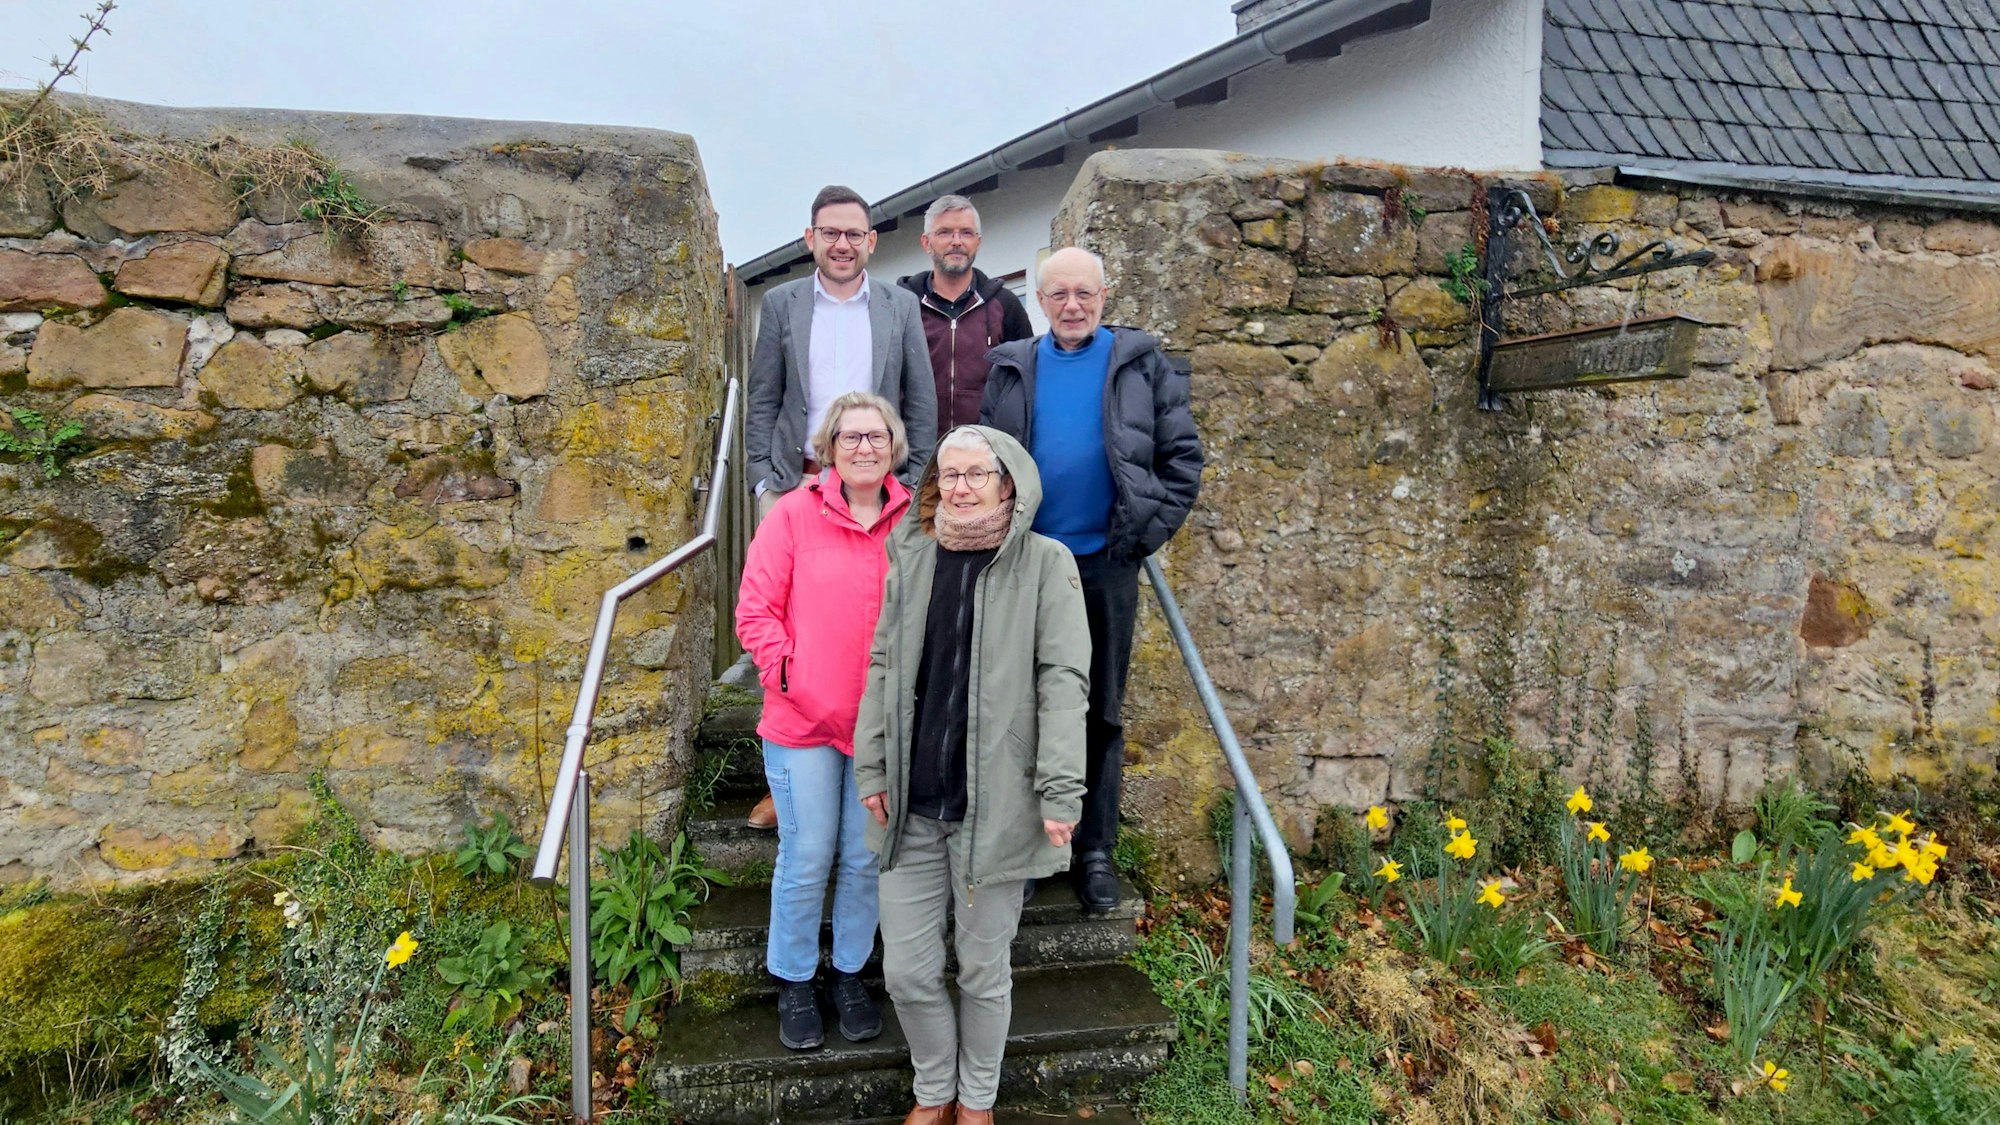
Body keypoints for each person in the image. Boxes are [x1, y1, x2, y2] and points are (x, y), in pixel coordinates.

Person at [854, 425, 1088, 1125]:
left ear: (1007, 484)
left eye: (974, 475)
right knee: (906, 969)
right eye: (947, 476)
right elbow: (883, 664)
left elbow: (1064, 680)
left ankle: (976, 1099)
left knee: (984, 969)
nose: (958, 487)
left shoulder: (1047, 563)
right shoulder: (916, 555)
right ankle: (934, 1088)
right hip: (913, 802)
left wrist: (1060, 786)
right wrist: (872, 760)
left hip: (999, 805)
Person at [978, 247, 1202, 914]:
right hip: (1028, 565)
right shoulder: (1013, 370)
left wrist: (1140, 537)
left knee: (1099, 711)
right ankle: (1025, 848)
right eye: (1059, 294)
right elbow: (988, 460)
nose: (1072, 304)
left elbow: (1181, 459)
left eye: (1085, 292)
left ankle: (1093, 849)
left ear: (1105, 295)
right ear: (1040, 302)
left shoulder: (1139, 364)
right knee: (1020, 707)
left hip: (1106, 563)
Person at [742, 185, 937, 832]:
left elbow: (920, 403)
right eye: (831, 232)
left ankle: (866, 771)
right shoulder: (781, 304)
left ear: (871, 241)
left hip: (876, 494)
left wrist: (907, 486)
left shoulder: (900, 306)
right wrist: (761, 483)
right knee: (786, 638)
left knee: (866, 633)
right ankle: (788, 780)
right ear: (811, 238)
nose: (843, 243)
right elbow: (764, 398)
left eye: (854, 233)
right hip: (796, 486)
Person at [735, 392, 915, 1051]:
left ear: (893, 446)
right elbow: (756, 611)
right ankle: (794, 977)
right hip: (802, 721)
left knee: (863, 857)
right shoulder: (791, 515)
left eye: (876, 436)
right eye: (851, 436)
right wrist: (791, 674)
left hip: (882, 726)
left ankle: (848, 973)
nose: (864, 447)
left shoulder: (914, 521)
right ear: (827, 446)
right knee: (808, 853)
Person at [895, 195, 1033, 435]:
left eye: (966, 233)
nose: (956, 241)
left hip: (984, 454)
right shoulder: (902, 305)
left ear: (978, 242)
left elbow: (1025, 382)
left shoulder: (1005, 305)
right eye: (945, 232)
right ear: (926, 242)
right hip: (916, 454)